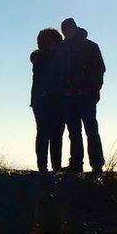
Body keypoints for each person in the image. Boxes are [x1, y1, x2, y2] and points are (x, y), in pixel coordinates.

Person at [58, 17, 106, 174]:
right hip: (68, 96)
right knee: (74, 132)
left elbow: (100, 69)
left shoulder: (90, 46)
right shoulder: (62, 48)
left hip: (86, 96)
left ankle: (97, 165)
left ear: (75, 28)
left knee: (91, 130)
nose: (66, 32)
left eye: (68, 29)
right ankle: (76, 164)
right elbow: (56, 71)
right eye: (64, 30)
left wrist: (95, 90)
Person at [30, 28, 65, 173]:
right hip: (41, 101)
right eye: (47, 41)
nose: (50, 44)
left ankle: (56, 166)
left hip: (59, 100)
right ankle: (42, 166)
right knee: (43, 133)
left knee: (57, 134)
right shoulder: (39, 57)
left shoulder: (60, 57)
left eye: (53, 41)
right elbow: (36, 60)